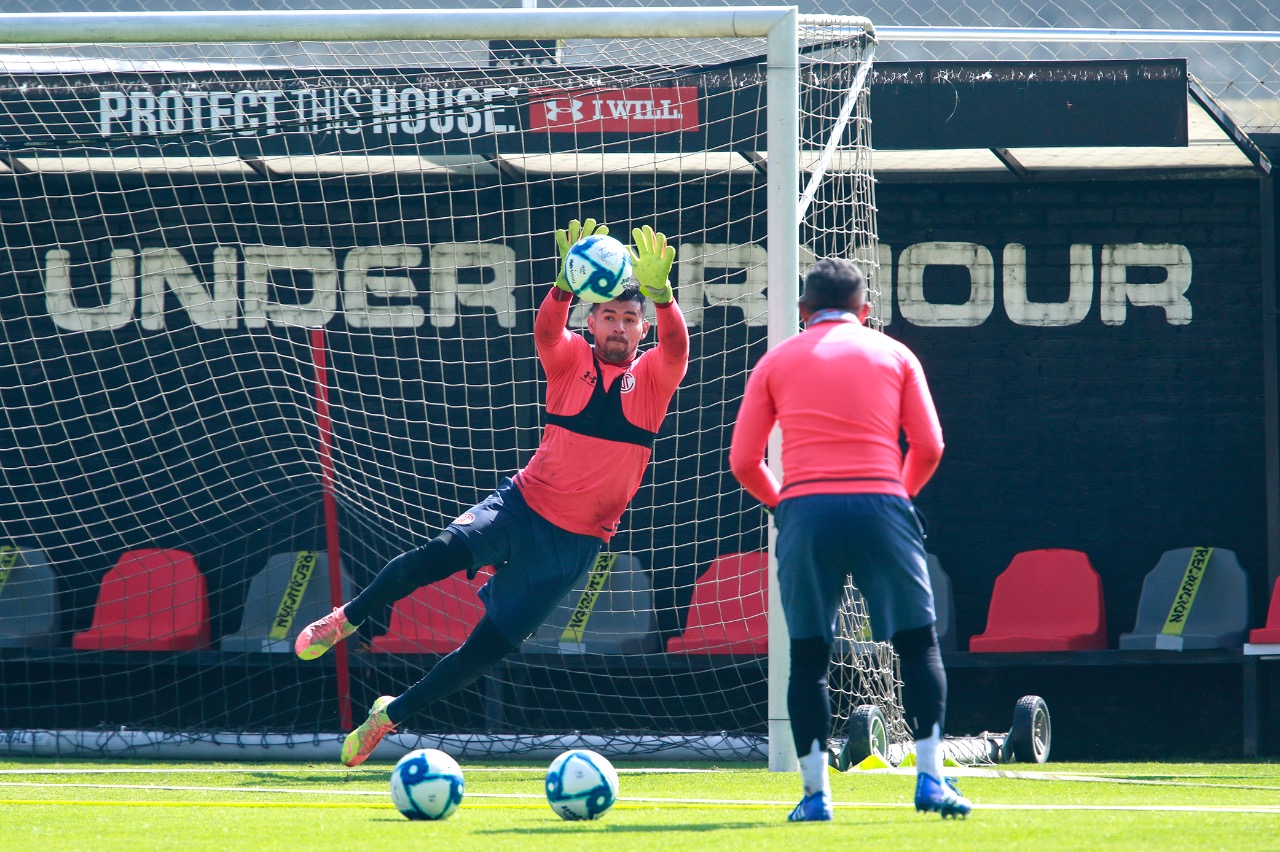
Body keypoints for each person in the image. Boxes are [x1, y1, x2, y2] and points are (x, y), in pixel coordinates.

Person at [295, 219, 688, 767]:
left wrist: (665, 298)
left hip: (572, 545)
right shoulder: (571, 357)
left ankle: (387, 717)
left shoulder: (652, 379)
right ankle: (350, 617)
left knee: (486, 651)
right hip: (521, 505)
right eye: (608, 317)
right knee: (436, 556)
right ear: (592, 322)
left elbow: (677, 346)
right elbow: (547, 333)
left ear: (640, 330)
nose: (619, 327)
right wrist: (562, 287)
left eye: (629, 319)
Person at [728, 257, 970, 821]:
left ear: (805, 311)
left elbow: (744, 461)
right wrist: (897, 497)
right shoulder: (896, 354)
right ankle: (931, 782)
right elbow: (929, 447)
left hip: (807, 511)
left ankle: (815, 798)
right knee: (918, 645)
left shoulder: (775, 362)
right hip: (883, 505)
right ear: (866, 311)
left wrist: (783, 504)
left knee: (809, 659)